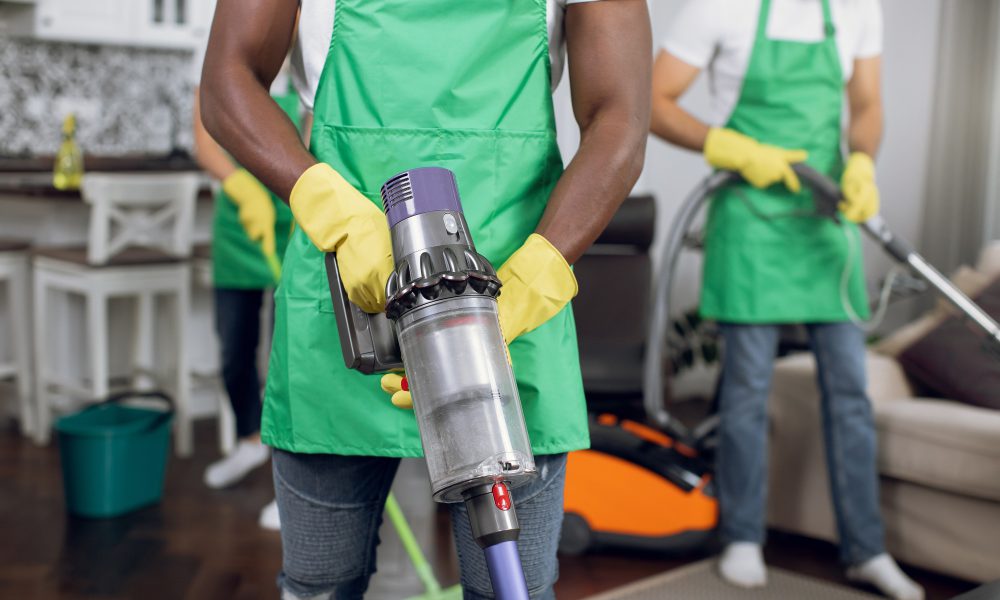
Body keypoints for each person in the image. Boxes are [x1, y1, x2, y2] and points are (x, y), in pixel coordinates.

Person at [199, 0, 651, 597]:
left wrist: (540, 269)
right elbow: (227, 79)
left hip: (510, 306)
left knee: (510, 587)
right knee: (320, 585)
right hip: (347, 298)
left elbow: (619, 116)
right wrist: (331, 213)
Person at [650, 1, 923, 598]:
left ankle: (866, 549)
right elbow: (653, 100)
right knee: (748, 390)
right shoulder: (720, 8)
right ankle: (743, 537)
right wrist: (730, 147)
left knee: (850, 392)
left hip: (827, 221)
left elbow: (868, 103)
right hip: (752, 218)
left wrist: (861, 162)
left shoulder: (855, 8)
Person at [192, 63, 302, 531]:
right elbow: (204, 131)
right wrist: (236, 183)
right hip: (239, 228)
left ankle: (292, 480)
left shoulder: (311, 69)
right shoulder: (231, 58)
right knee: (234, 348)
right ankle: (247, 440)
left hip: (295, 222)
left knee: (288, 359)